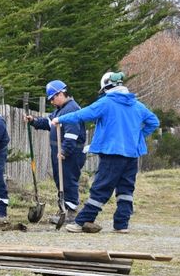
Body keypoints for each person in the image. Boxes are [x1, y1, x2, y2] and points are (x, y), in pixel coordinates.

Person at [53, 71, 159, 233]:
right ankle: (121, 225)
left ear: (106, 88)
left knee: (101, 187)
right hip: (131, 155)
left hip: (112, 154)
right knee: (125, 190)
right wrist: (137, 137)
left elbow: (81, 115)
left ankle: (81, 222)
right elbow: (153, 122)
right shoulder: (137, 105)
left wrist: (60, 119)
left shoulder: (106, 103)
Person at [25, 80, 86, 225]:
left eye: (53, 98)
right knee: (60, 181)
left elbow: (72, 135)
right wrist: (33, 121)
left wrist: (65, 151)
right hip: (59, 152)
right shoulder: (61, 109)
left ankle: (70, 213)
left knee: (68, 180)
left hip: (71, 153)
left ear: (61, 93)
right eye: (50, 99)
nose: (52, 102)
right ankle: (63, 210)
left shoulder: (71, 110)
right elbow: (49, 123)